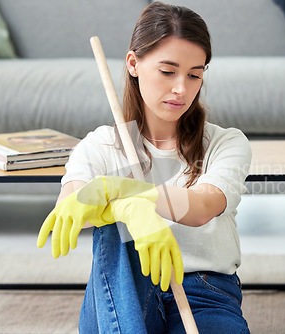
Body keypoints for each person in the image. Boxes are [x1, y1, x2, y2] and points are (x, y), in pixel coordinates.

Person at [37, 2, 252, 333]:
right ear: (133, 64)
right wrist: (129, 212)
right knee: (111, 229)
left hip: (204, 290)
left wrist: (128, 194)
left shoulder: (226, 143)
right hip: (128, 290)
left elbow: (204, 206)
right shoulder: (100, 145)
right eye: (168, 71)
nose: (182, 89)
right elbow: (73, 204)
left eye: (195, 74)